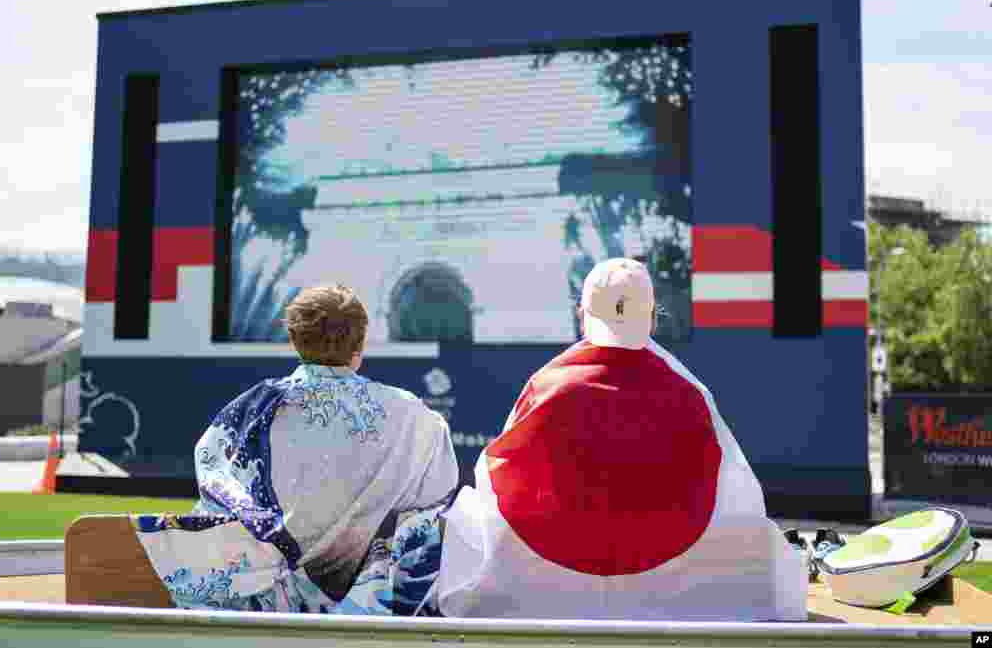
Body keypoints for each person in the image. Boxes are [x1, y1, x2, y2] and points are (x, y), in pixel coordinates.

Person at [435, 258, 807, 621]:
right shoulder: (691, 391)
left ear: (583, 315)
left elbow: (502, 481)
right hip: (674, 583)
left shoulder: (546, 384)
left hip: (545, 590)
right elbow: (733, 491)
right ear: (650, 317)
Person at [134, 284, 459, 614]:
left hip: (259, 602)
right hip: (372, 607)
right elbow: (434, 502)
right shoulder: (414, 416)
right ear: (360, 343)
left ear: (294, 340)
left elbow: (216, 495)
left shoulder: (251, 411)